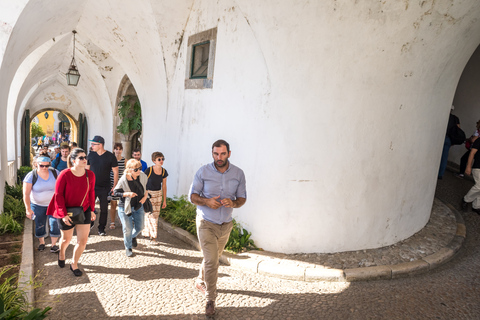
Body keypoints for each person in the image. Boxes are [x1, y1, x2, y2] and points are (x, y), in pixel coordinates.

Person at [188, 139, 247, 316]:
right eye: (215, 153)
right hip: (206, 223)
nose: (219, 157)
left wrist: (234, 203)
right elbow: (192, 196)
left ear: (229, 153)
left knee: (213, 257)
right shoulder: (203, 171)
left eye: (222, 153)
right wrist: (207, 201)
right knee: (213, 261)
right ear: (212, 153)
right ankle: (210, 300)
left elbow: (242, 198)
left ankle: (200, 279)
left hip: (226, 225)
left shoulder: (238, 174)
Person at [47, 148, 96, 276]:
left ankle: (74, 264)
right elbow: (58, 195)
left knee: (83, 241)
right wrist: (62, 214)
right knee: (65, 240)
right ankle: (62, 252)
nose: (84, 160)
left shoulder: (90, 175)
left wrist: (91, 210)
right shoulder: (64, 174)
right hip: (66, 211)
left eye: (85, 157)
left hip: (83, 210)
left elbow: (91, 193)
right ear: (73, 160)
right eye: (81, 158)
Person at [23, 156, 60, 252]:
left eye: (47, 166)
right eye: (42, 166)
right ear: (36, 164)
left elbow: (63, 186)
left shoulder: (55, 173)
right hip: (37, 205)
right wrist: (28, 209)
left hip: (53, 205)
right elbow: (26, 194)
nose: (44, 168)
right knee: (40, 224)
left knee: (55, 223)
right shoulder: (31, 176)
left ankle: (53, 245)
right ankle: (42, 243)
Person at [113, 159, 147, 257]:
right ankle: (128, 248)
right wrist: (126, 194)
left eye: (140, 168)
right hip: (125, 207)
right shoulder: (124, 179)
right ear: (129, 170)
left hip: (138, 206)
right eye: (136, 169)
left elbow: (146, 188)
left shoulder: (143, 176)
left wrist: (145, 198)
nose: (139, 171)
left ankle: (132, 236)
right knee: (127, 228)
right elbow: (115, 192)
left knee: (140, 227)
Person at [86, 136, 118, 236]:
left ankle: (101, 228)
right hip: (92, 187)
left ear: (100, 145)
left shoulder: (110, 156)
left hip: (105, 187)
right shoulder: (90, 155)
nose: (91, 146)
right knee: (89, 208)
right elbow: (87, 171)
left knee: (104, 209)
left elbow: (116, 172)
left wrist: (114, 186)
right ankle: (88, 226)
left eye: (93, 144)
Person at [142, 152, 168, 243]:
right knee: (149, 214)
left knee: (155, 215)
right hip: (149, 194)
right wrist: (144, 196)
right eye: (159, 159)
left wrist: (164, 200)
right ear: (154, 161)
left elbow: (164, 186)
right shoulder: (148, 171)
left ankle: (151, 234)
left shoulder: (164, 171)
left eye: (162, 159)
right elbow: (143, 183)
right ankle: (152, 236)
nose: (161, 161)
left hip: (158, 194)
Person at [438, 105, 460, 179]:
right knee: (444, 157)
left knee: (435, 154)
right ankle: (440, 174)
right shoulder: (455, 118)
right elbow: (458, 130)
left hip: (440, 137)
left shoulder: (442, 115)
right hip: (448, 139)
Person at [109, 142, 125, 230]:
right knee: (113, 204)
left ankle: (122, 219)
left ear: (122, 150)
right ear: (114, 150)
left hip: (122, 184)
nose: (118, 151)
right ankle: (112, 221)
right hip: (112, 183)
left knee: (122, 203)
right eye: (116, 149)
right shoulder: (111, 159)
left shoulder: (124, 160)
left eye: (120, 149)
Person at [462, 135, 480, 214]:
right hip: (478, 167)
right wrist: (468, 166)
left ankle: (476, 205)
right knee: (479, 186)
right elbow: (472, 153)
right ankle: (466, 199)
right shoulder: (479, 140)